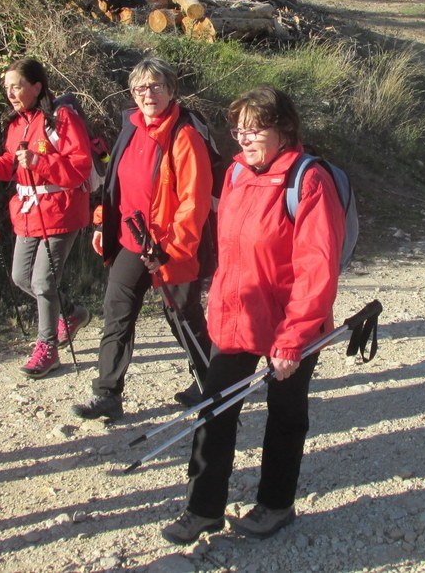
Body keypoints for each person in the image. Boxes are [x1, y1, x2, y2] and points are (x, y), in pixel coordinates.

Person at [161, 86, 344, 546]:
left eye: (255, 128)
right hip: (238, 315)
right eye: (239, 128)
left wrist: (293, 339)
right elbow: (227, 247)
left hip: (289, 324)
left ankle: (276, 505)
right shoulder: (237, 173)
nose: (244, 138)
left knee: (285, 416)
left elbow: (316, 267)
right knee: (212, 410)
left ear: (284, 130)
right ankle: (202, 509)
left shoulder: (309, 179)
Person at [71, 58, 213, 421]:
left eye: (155, 86)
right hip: (131, 242)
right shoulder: (130, 128)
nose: (147, 94)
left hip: (171, 246)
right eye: (140, 88)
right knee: (116, 313)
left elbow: (193, 202)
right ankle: (107, 394)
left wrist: (171, 250)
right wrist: (102, 223)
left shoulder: (185, 136)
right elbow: (112, 186)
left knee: (183, 317)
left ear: (170, 89)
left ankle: (214, 382)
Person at [0, 59, 92, 378]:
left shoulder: (60, 118)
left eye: (17, 86)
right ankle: (71, 313)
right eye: (7, 87)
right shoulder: (16, 121)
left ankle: (47, 348)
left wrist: (39, 161)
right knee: (21, 277)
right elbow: (11, 161)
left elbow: (80, 167)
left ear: (37, 87)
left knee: (42, 281)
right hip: (29, 211)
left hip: (61, 209)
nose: (10, 92)